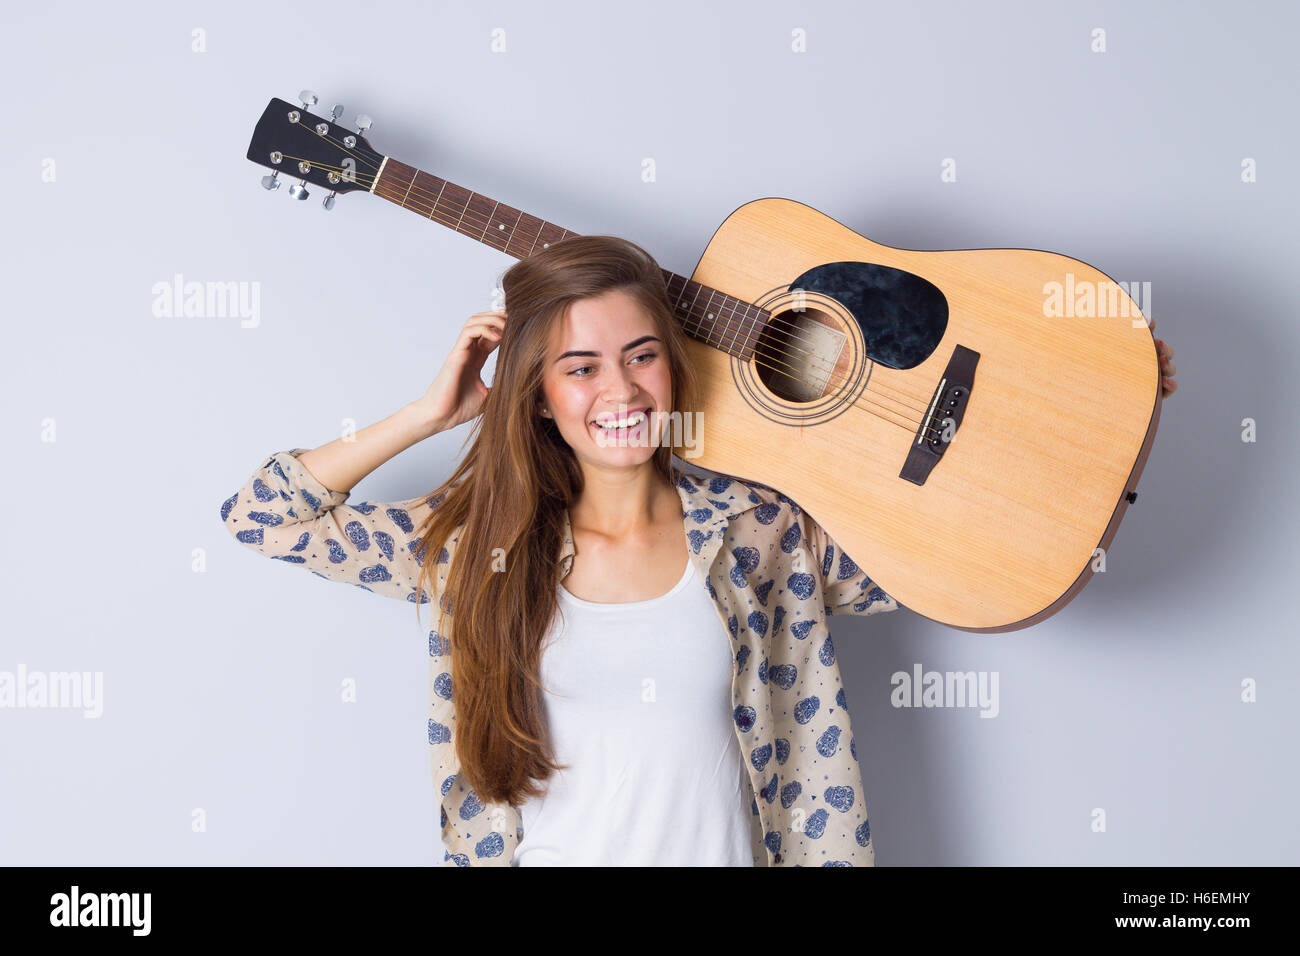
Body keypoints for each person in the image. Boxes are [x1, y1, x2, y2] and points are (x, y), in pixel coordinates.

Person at [220, 235, 1178, 867]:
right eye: (579, 366)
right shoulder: (475, 551)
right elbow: (263, 515)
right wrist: (430, 413)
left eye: (640, 354)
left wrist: (1106, 418)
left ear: (675, 364)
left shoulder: (766, 535)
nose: (621, 390)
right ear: (538, 395)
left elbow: (986, 548)